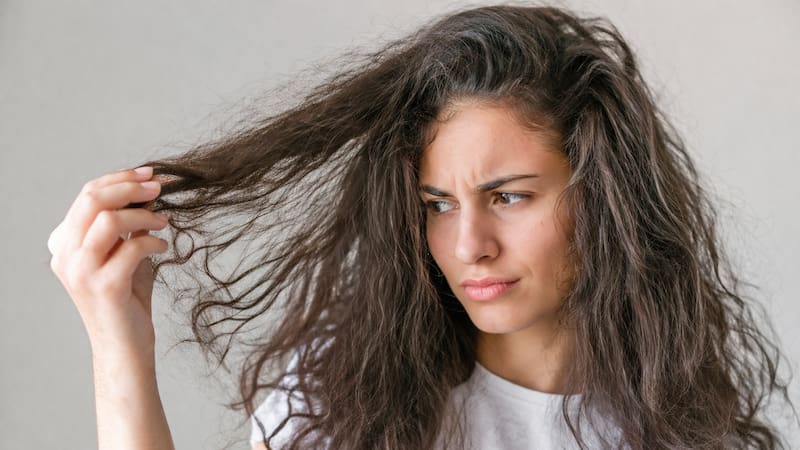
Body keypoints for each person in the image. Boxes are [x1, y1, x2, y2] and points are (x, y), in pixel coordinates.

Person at [46, 4, 796, 449]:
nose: (468, 245)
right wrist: (121, 344)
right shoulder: (348, 404)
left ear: (604, 199)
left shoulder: (685, 421)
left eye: (509, 197)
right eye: (437, 205)